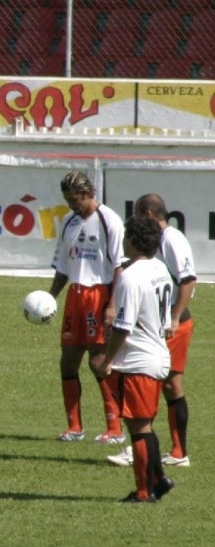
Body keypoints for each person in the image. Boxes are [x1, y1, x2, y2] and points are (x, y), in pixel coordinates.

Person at [107, 194, 197, 468]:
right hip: (166, 320)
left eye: (136, 215)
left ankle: (144, 446)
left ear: (147, 214)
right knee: (167, 385)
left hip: (172, 323)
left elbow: (188, 280)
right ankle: (177, 452)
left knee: (156, 381)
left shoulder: (170, 239)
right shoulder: (166, 240)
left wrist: (173, 317)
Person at [96, 216, 174, 503]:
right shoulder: (160, 269)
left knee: (139, 428)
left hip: (139, 360)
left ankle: (144, 492)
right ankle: (159, 480)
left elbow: (123, 327)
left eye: (127, 236)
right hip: (157, 353)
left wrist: (107, 360)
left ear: (132, 240)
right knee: (144, 425)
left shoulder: (132, 275)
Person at [47, 170, 125, 446]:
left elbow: (119, 266)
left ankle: (115, 428)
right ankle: (74, 427)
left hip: (99, 295)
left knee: (99, 362)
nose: (71, 205)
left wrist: (113, 304)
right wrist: (51, 298)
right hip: (75, 297)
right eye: (67, 200)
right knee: (68, 361)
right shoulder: (69, 221)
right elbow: (63, 267)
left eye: (75, 199)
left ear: (89, 194)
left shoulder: (109, 220)